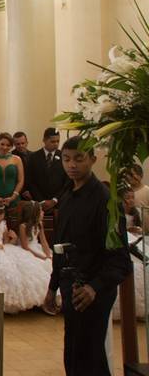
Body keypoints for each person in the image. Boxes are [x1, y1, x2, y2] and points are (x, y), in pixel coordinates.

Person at [43, 136, 131, 375]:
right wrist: (53, 287)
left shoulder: (106, 200)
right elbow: (60, 246)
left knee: (90, 357)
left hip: (93, 290)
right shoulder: (67, 194)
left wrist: (93, 287)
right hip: (70, 286)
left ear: (92, 159)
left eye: (79, 159)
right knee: (73, 354)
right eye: (66, 159)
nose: (72, 165)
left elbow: (121, 260)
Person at [23, 127, 66, 210]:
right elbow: (30, 181)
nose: (56, 144)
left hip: (59, 203)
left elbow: (66, 182)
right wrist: (41, 200)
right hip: (38, 203)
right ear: (44, 140)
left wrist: (54, 200)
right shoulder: (33, 157)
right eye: (53, 141)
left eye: (58, 141)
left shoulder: (64, 157)